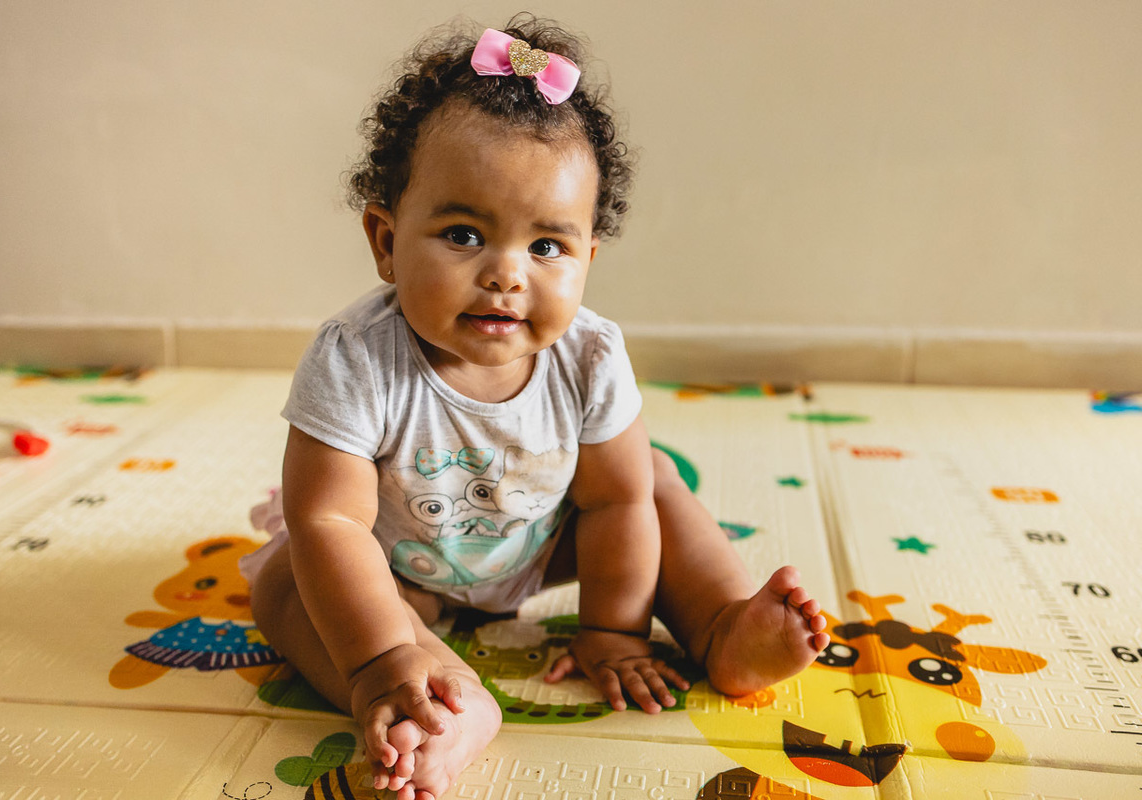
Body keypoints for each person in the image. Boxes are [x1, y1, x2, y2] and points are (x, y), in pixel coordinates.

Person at [241, 15, 830, 800]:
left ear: (588, 258)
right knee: (285, 581)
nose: (506, 274)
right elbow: (333, 523)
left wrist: (613, 634)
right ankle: (427, 701)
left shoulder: (589, 356)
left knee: (650, 482)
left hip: (544, 540)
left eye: (546, 247)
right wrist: (385, 651)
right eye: (462, 233)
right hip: (395, 563)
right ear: (385, 240)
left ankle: (722, 626)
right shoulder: (355, 359)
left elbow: (614, 501)